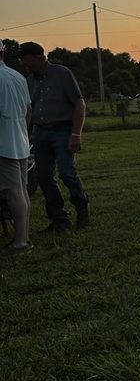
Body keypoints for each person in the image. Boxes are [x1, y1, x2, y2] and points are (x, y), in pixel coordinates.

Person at [18, 41, 91, 232]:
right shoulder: (29, 81)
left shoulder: (62, 73)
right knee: (43, 177)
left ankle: (82, 208)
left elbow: (79, 104)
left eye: (25, 59)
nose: (23, 64)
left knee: (67, 173)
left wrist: (76, 133)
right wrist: (28, 134)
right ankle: (59, 219)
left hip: (63, 130)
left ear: (37, 57)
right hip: (41, 133)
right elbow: (31, 110)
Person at [0, 40, 33, 256]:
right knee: (21, 191)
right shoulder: (16, 76)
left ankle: (21, 242)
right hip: (20, 142)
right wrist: (25, 134)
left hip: (3, 144)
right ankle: (24, 237)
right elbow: (29, 110)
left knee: (13, 193)